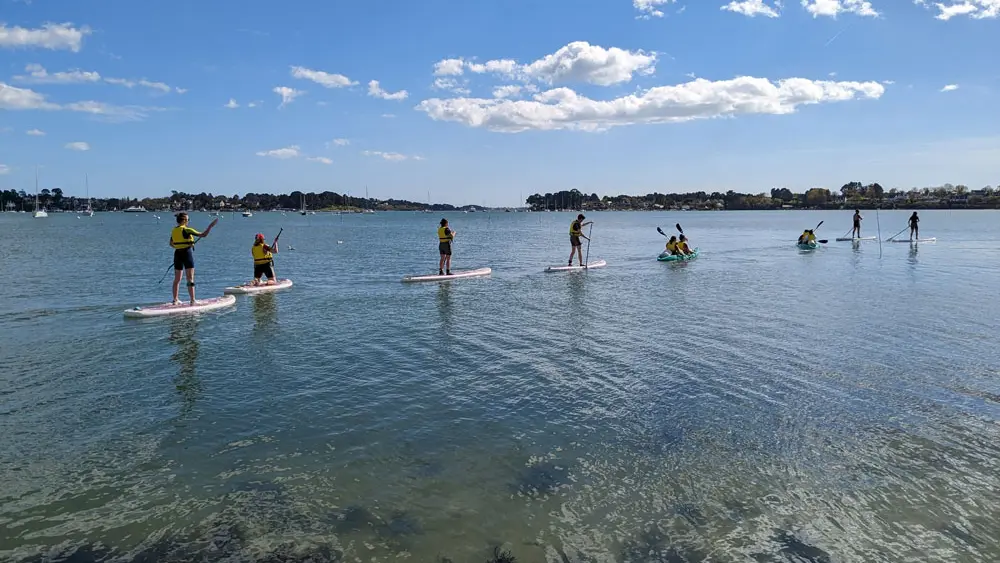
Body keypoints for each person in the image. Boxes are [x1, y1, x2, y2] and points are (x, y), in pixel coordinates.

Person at [169, 212, 215, 305]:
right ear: (184, 220)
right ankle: (193, 300)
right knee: (190, 278)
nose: (188, 221)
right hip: (187, 254)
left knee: (177, 279)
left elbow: (171, 244)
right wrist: (210, 226)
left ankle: (175, 300)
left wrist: (180, 246)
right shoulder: (187, 230)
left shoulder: (174, 230)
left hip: (177, 254)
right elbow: (203, 235)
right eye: (188, 220)